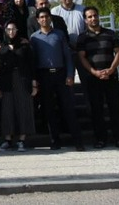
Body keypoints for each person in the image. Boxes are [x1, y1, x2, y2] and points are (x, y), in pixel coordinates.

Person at [29, 8, 83, 151]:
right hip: (44, 76)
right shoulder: (34, 37)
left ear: (50, 18)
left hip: (61, 74)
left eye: (47, 16)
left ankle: (77, 141)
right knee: (49, 110)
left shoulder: (59, 34)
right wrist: (35, 79)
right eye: (41, 17)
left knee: (68, 108)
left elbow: (67, 56)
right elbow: (32, 60)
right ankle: (55, 140)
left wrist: (70, 75)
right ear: (37, 20)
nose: (44, 19)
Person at [75, 7, 119, 148]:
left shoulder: (110, 34)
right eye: (89, 17)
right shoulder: (82, 37)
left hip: (111, 77)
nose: (93, 18)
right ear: (85, 20)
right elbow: (82, 57)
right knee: (96, 110)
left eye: (95, 15)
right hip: (93, 78)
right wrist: (94, 72)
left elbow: (118, 53)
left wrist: (111, 70)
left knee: (115, 108)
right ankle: (100, 139)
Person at [0, 21, 36, 151]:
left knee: (23, 107)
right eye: (8, 29)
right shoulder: (2, 47)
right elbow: (0, 67)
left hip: (22, 78)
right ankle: (8, 140)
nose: (11, 32)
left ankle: (22, 140)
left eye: (13, 29)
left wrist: (34, 83)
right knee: (7, 109)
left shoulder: (24, 46)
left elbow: (31, 65)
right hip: (7, 80)